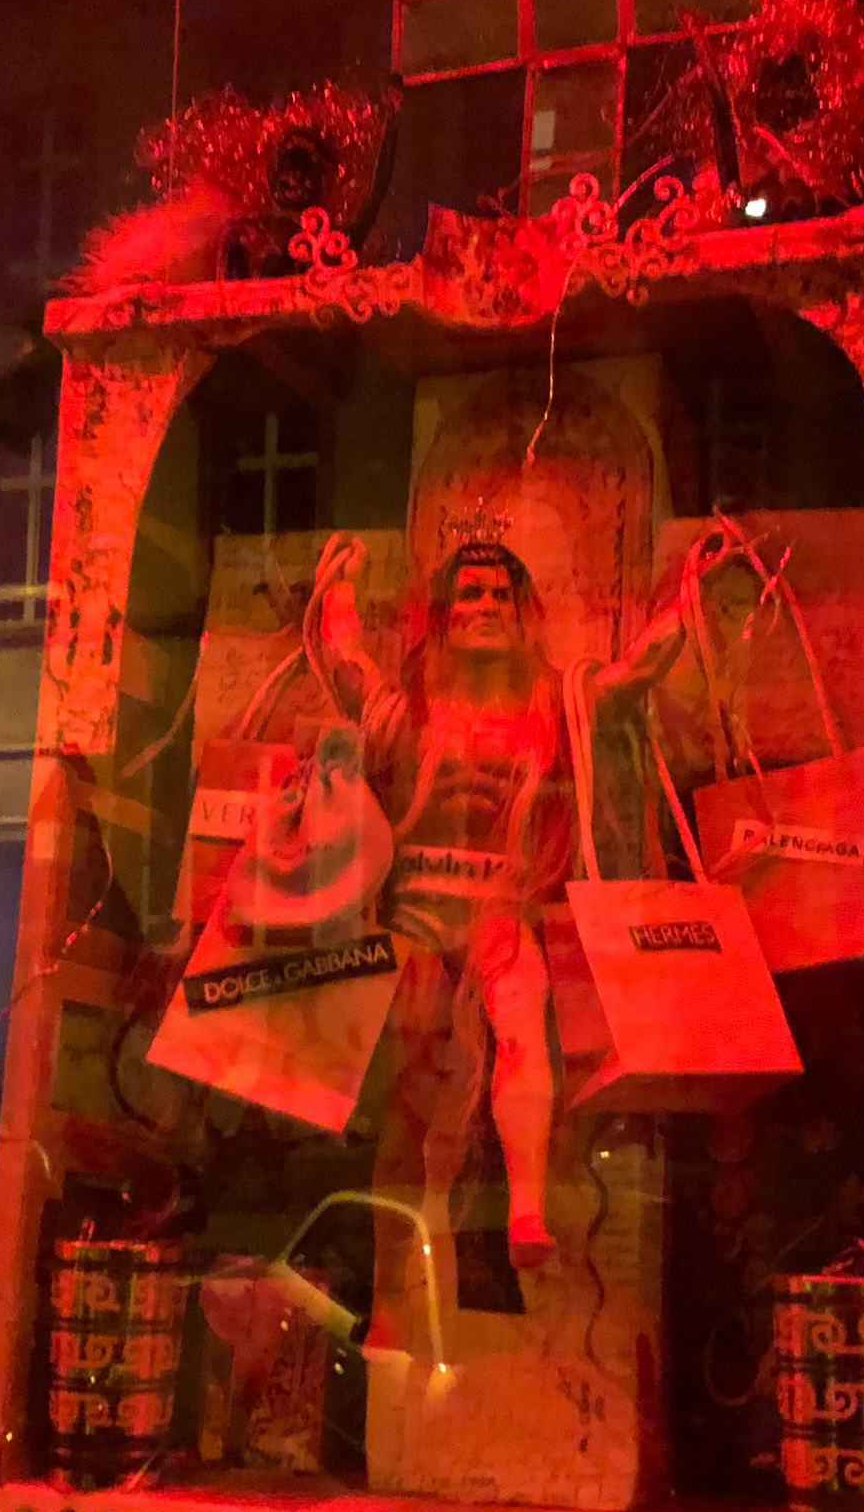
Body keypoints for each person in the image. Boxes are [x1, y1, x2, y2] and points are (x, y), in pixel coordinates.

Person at [311, 525, 729, 1281]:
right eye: (470, 593)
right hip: (416, 915)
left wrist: (692, 590)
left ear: (524, 612)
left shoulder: (556, 706)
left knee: (520, 1014)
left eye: (501, 594)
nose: (486, 606)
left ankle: (526, 1209)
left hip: (503, 907)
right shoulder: (407, 712)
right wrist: (338, 585)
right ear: (443, 616)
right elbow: (346, 665)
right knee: (411, 1088)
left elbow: (634, 674)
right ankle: (391, 1285)